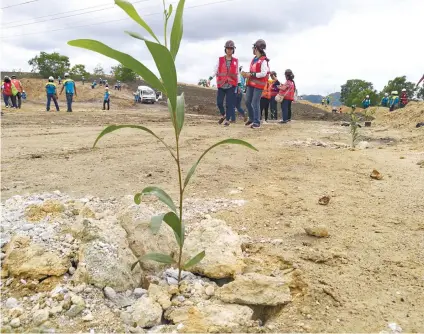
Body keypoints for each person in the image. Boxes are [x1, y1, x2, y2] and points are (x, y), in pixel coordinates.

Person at [208, 40, 239, 126]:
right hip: (221, 85)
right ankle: (224, 115)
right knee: (219, 102)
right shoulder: (220, 59)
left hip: (231, 85)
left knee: (229, 104)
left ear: (233, 50)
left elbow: (237, 73)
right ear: (225, 49)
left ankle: (228, 120)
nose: (229, 50)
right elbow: (215, 70)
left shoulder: (236, 61)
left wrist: (239, 85)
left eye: (231, 49)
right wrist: (210, 78)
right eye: (228, 48)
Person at [242, 39, 270, 129]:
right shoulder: (254, 59)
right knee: (247, 101)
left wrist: (251, 74)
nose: (253, 49)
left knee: (255, 102)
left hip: (259, 85)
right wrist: (247, 74)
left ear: (257, 48)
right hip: (251, 83)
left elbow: (263, 73)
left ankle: (257, 122)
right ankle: (252, 118)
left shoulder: (263, 61)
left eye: (254, 48)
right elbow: (253, 71)